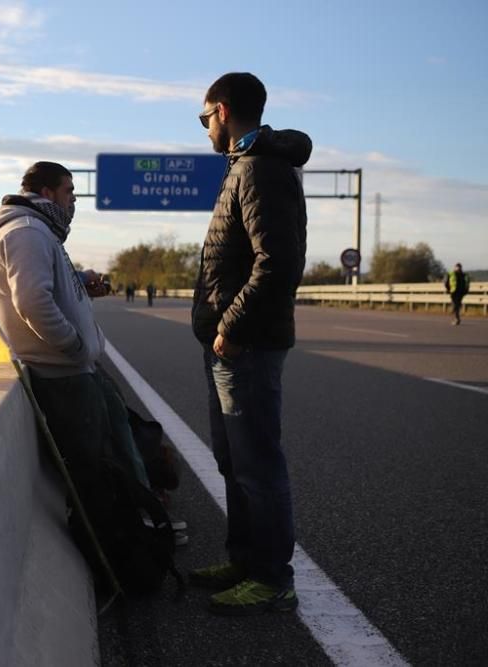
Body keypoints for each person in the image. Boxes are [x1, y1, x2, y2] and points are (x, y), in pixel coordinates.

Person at [189, 72, 311, 615]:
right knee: (232, 462)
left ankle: (270, 577)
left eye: (203, 118)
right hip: (229, 343)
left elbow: (277, 261)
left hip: (248, 344)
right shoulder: (242, 165)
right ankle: (243, 559)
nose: (204, 129)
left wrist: (231, 328)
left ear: (221, 109)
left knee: (258, 465)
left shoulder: (260, 169)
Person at [0, 161, 151, 524]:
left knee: (118, 438)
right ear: (47, 193)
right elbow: (32, 301)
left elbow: (43, 286)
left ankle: (144, 516)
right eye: (69, 191)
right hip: (61, 372)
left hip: (73, 368)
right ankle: (129, 537)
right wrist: (72, 346)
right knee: (95, 464)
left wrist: (79, 281)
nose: (74, 200)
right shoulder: (26, 231)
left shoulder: (38, 230)